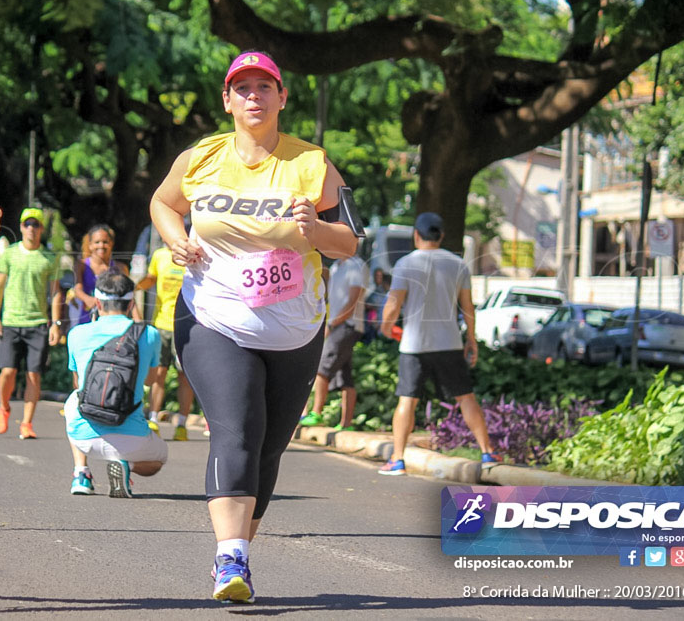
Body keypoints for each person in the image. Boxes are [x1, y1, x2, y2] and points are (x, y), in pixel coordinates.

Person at [150, 50, 359, 604]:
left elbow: (349, 243)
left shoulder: (312, 164)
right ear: (227, 100)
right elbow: (162, 203)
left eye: (264, 87)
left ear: (281, 97)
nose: (253, 96)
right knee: (237, 426)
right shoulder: (200, 157)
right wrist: (174, 237)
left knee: (268, 448)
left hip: (295, 327)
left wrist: (315, 227)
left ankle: (239, 548)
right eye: (241, 88)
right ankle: (229, 558)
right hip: (214, 314)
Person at [377, 212, 502, 476]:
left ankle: (398, 459)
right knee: (466, 398)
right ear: (441, 235)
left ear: (416, 235)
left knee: (407, 401)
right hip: (449, 342)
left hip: (414, 344)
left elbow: (394, 302)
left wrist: (387, 328)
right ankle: (487, 452)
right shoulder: (458, 264)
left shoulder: (405, 264)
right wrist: (471, 340)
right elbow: (468, 308)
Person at [64, 271, 167, 496]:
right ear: (131, 304)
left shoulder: (77, 333)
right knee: (159, 458)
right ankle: (126, 465)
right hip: (133, 441)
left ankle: (81, 473)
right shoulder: (149, 334)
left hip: (85, 437)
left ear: (97, 303)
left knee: (75, 397)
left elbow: (79, 383)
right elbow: (150, 380)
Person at [0, 207, 63, 440]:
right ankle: (4, 407)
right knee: (7, 372)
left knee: (34, 375)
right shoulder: (9, 254)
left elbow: (56, 293)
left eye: (36, 224)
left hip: (38, 322)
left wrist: (56, 323)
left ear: (41, 229)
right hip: (11, 321)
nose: (31, 228)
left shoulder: (49, 258)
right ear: (21, 227)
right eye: (27, 224)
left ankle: (27, 423)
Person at [299, 254, 369, 430]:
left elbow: (353, 302)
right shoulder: (337, 266)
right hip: (337, 324)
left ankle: (315, 413)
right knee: (345, 377)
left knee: (322, 368)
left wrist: (332, 324)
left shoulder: (356, 266)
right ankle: (346, 424)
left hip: (347, 325)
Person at [135, 240, 195, 440]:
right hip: (161, 325)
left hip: (187, 325)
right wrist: (132, 287)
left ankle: (182, 425)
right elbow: (151, 279)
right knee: (158, 374)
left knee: (184, 376)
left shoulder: (191, 254)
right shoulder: (160, 255)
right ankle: (153, 419)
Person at [71, 224, 136, 325]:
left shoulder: (120, 268)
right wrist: (88, 299)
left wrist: (138, 320)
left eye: (105, 242)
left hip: (113, 318)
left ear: (111, 243)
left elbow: (129, 295)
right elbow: (77, 288)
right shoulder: (82, 265)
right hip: (86, 315)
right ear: (90, 245)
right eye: (97, 242)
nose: (101, 245)